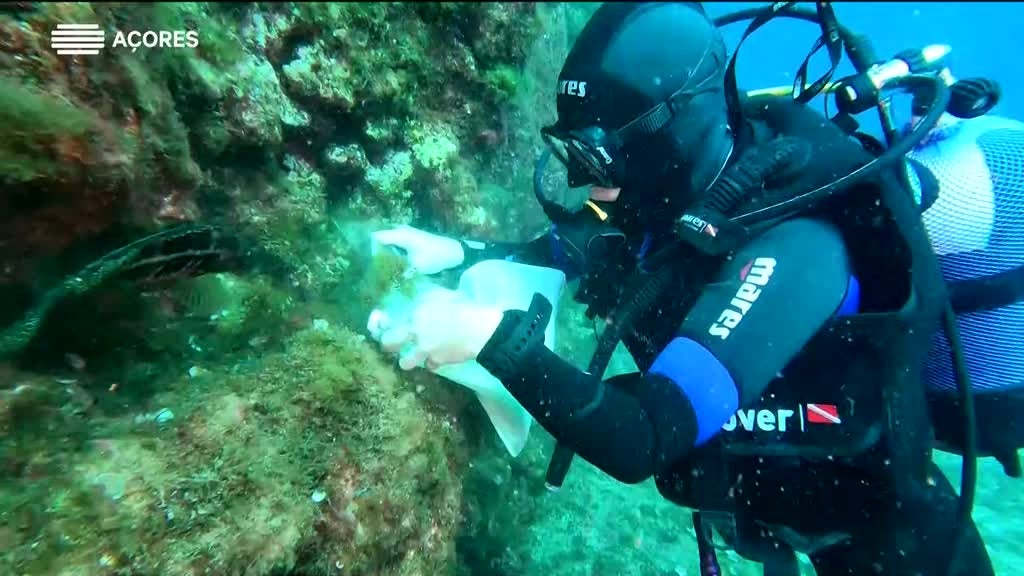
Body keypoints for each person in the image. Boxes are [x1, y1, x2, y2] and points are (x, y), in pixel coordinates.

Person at [369, 3, 1018, 575]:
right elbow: (583, 243)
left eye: (595, 160)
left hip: (891, 545)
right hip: (774, 509)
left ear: (668, 142)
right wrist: (463, 253)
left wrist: (489, 340)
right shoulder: (670, 197)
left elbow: (642, 436)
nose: (585, 186)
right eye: (574, 155)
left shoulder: (798, 250)